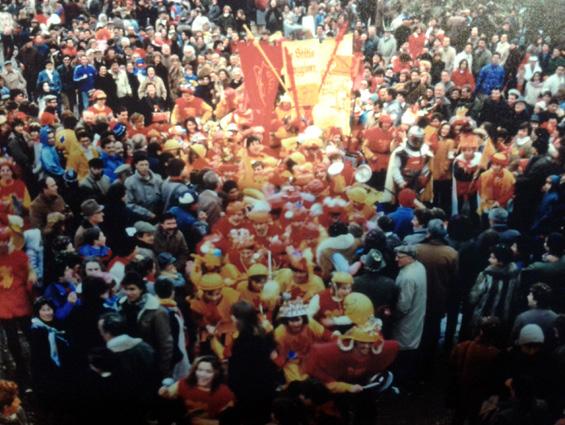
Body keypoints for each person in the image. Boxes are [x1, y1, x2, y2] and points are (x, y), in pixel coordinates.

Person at [98, 312, 160, 425]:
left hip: (124, 411)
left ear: (106, 333)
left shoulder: (106, 356)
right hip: (150, 405)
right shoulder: (145, 347)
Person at [228, 301, 279, 425]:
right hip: (266, 383)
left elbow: (237, 368)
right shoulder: (263, 331)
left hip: (249, 388)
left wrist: (233, 386)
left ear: (237, 318)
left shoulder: (242, 341)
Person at [117, 271, 173, 379]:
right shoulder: (121, 306)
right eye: (126, 289)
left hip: (150, 363)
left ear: (141, 289)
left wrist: (163, 370)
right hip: (127, 363)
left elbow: (166, 343)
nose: (128, 293)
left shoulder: (157, 311)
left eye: (132, 289)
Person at [158, 355, 235, 424]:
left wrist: (204, 422)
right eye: (199, 370)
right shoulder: (183, 384)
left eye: (208, 371)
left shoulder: (224, 393)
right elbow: (167, 398)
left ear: (216, 373)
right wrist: (164, 394)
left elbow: (230, 420)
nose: (202, 375)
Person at [391, 244, 427, 389]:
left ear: (410, 258)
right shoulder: (419, 266)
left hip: (405, 321)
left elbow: (403, 306)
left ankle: (401, 383)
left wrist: (393, 317)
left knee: (403, 354)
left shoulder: (407, 277)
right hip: (417, 315)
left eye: (399, 257)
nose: (396, 259)